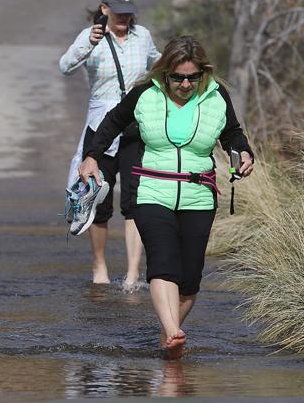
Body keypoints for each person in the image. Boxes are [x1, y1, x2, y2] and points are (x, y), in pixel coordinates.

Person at [78, 35, 254, 359]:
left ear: (203, 73)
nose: (185, 84)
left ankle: (167, 334)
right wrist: (91, 156)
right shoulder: (146, 94)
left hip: (199, 196)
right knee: (163, 264)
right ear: (165, 73)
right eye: (178, 77)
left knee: (189, 280)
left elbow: (232, 134)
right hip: (152, 191)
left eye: (192, 77)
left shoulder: (217, 96)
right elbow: (112, 122)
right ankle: (174, 332)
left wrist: (243, 153)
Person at [59, 0, 161, 289]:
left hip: (134, 125)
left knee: (134, 199)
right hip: (100, 125)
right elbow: (65, 66)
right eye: (118, 12)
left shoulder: (142, 35)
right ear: (105, 9)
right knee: (98, 197)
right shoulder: (92, 36)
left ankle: (132, 274)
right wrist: (87, 44)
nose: (124, 18)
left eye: (129, 13)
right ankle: (99, 267)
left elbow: (157, 63)